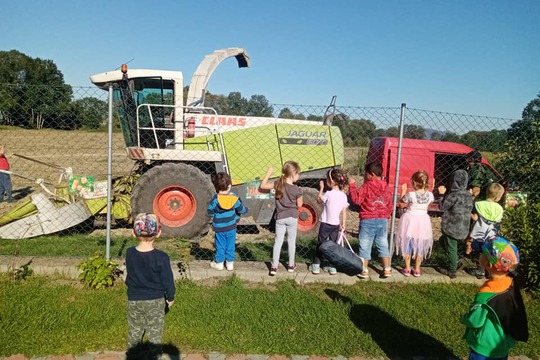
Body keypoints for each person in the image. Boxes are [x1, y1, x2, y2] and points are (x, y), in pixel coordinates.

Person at [461, 237, 529, 360]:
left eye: (481, 253)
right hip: (502, 345)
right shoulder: (510, 283)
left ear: (489, 264)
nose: (479, 255)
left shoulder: (486, 293)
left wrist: (464, 318)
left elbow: (475, 321)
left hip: (483, 348)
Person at [125, 213, 175, 355]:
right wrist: (170, 297)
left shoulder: (129, 253)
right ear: (158, 233)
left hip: (134, 299)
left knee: (134, 330)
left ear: (133, 233)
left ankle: (133, 355)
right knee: (155, 331)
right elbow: (167, 280)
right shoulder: (162, 257)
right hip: (155, 300)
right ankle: (154, 356)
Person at [348, 162, 393, 278]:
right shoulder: (386, 187)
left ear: (371, 175)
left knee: (365, 244)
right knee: (383, 243)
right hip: (382, 220)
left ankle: (364, 270)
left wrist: (352, 186)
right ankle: (387, 268)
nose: (364, 176)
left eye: (366, 174)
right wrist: (386, 215)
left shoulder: (366, 186)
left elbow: (357, 200)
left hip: (367, 220)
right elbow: (389, 204)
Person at [259, 161, 303, 276]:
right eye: (298, 174)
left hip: (280, 218)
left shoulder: (277, 184)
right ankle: (291, 265)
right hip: (292, 218)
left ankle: (274, 266)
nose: (298, 176)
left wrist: (269, 173)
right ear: (293, 174)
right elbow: (299, 205)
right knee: (291, 242)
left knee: (278, 242)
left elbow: (262, 186)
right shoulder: (297, 189)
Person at [309, 168, 349, 275]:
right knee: (334, 246)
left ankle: (316, 265)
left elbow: (318, 201)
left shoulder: (328, 194)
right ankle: (332, 267)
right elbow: (344, 211)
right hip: (336, 224)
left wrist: (321, 188)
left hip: (325, 223)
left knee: (321, 244)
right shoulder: (343, 195)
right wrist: (343, 224)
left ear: (330, 181)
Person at [395, 170, 434, 277]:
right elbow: (428, 205)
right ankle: (417, 269)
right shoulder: (430, 195)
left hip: (410, 220)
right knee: (420, 243)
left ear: (415, 183)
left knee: (408, 242)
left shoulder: (410, 194)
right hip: (423, 221)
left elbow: (402, 204)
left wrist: (402, 191)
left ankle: (407, 268)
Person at [207, 172, 248, 271]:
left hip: (219, 227)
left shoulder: (215, 199)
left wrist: (215, 216)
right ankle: (230, 264)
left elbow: (210, 211)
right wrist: (246, 209)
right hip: (231, 226)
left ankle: (219, 263)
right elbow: (241, 209)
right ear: (229, 186)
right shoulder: (234, 198)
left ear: (215, 186)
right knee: (230, 244)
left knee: (220, 245)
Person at [437, 169, 474, 279]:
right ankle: (456, 260)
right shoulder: (468, 195)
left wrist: (441, 195)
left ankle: (452, 270)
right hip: (463, 227)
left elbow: (442, 207)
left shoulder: (453, 195)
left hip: (452, 228)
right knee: (442, 241)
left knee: (451, 247)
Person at [465, 182, 505, 279]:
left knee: (479, 250)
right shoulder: (499, 208)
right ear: (499, 197)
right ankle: (489, 270)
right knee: (489, 251)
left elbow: (475, 218)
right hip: (492, 232)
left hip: (479, 230)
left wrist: (467, 213)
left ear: (487, 192)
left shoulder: (479, 204)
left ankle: (480, 270)